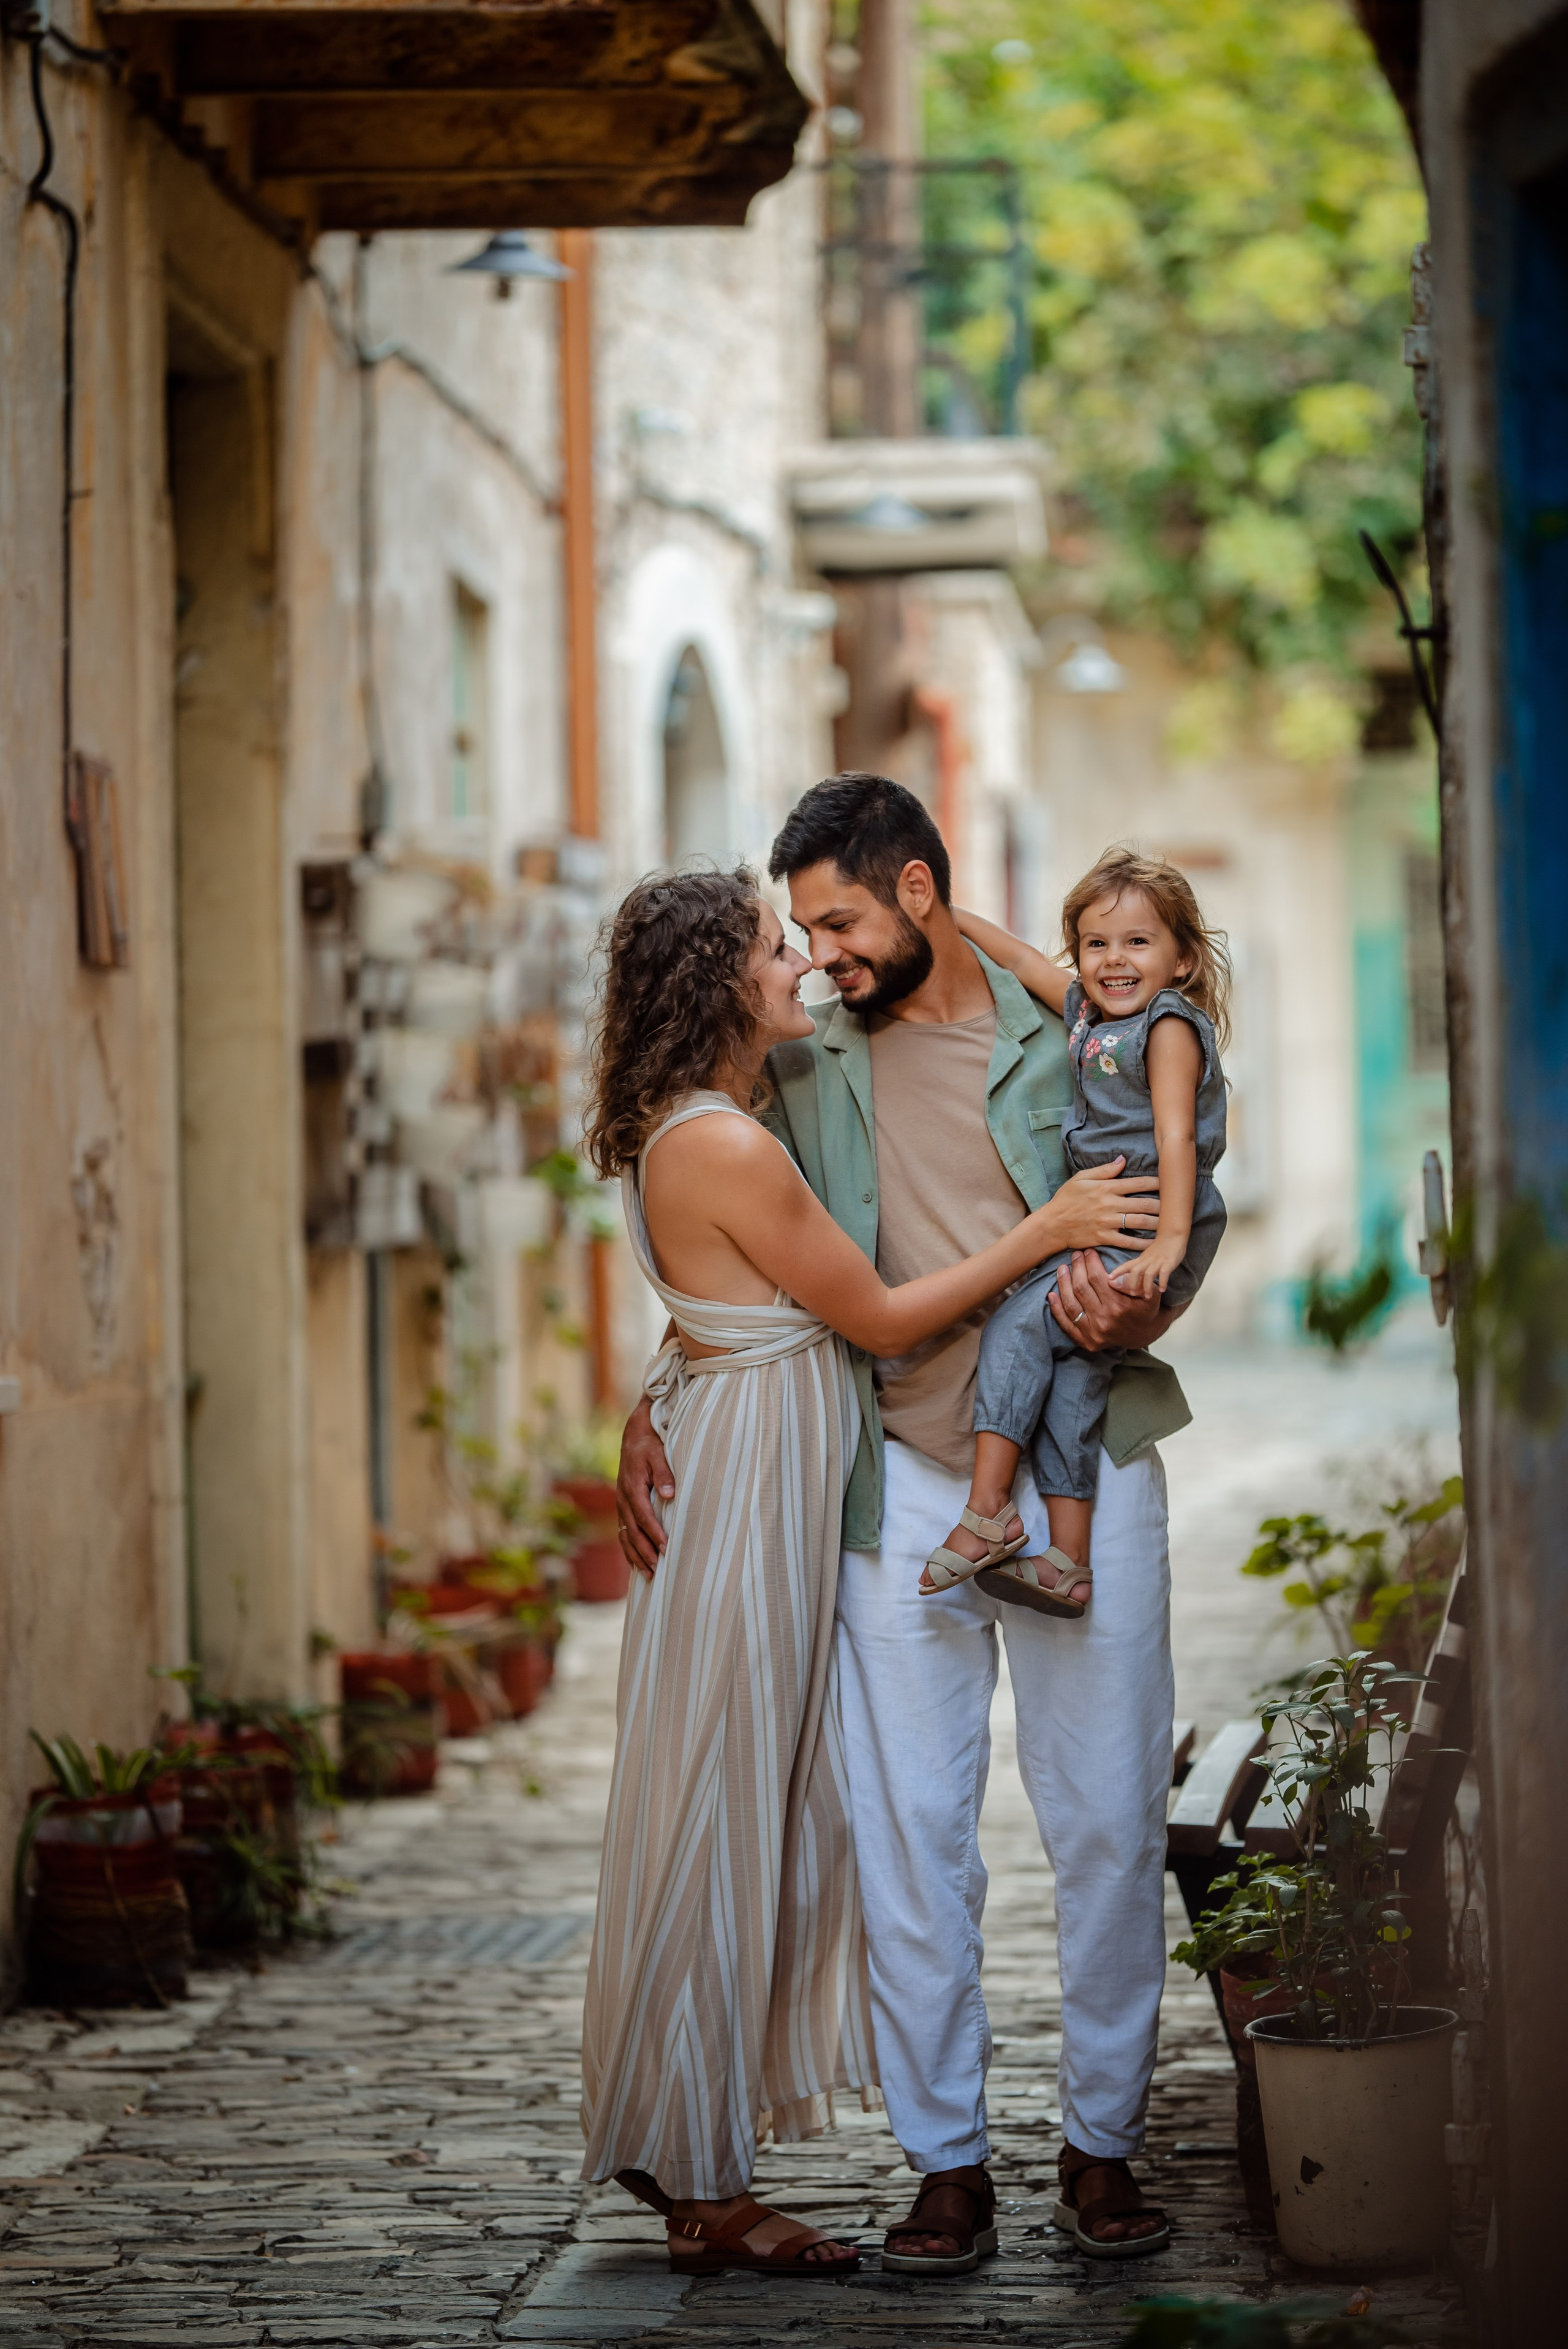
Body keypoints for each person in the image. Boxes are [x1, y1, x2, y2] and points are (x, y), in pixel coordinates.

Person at [618, 777, 1193, 2268]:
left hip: (1081, 1463)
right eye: (797, 931)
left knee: (1105, 1817)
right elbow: (727, 1242)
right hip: (898, 1481)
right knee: (908, 1835)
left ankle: (1098, 2143)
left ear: (921, 892)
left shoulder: (1061, 1034)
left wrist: (1148, 1287)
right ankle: (946, 2162)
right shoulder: (801, 1070)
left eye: (840, 919)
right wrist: (656, 1385)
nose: (815, 956)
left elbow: (1195, 1171)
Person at [920, 854, 1230, 1621]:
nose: (1114, 961)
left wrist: (1168, 1243)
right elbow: (1021, 958)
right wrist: (942, 914)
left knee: (1020, 1327)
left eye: (1136, 943)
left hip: (1148, 1217)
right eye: (1096, 945)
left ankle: (987, 1509)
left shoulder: (1165, 1027)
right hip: (1120, 1221)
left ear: (1181, 958)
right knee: (1074, 1378)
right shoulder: (1093, 1018)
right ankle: (1067, 1560)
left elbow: (1177, 1135)